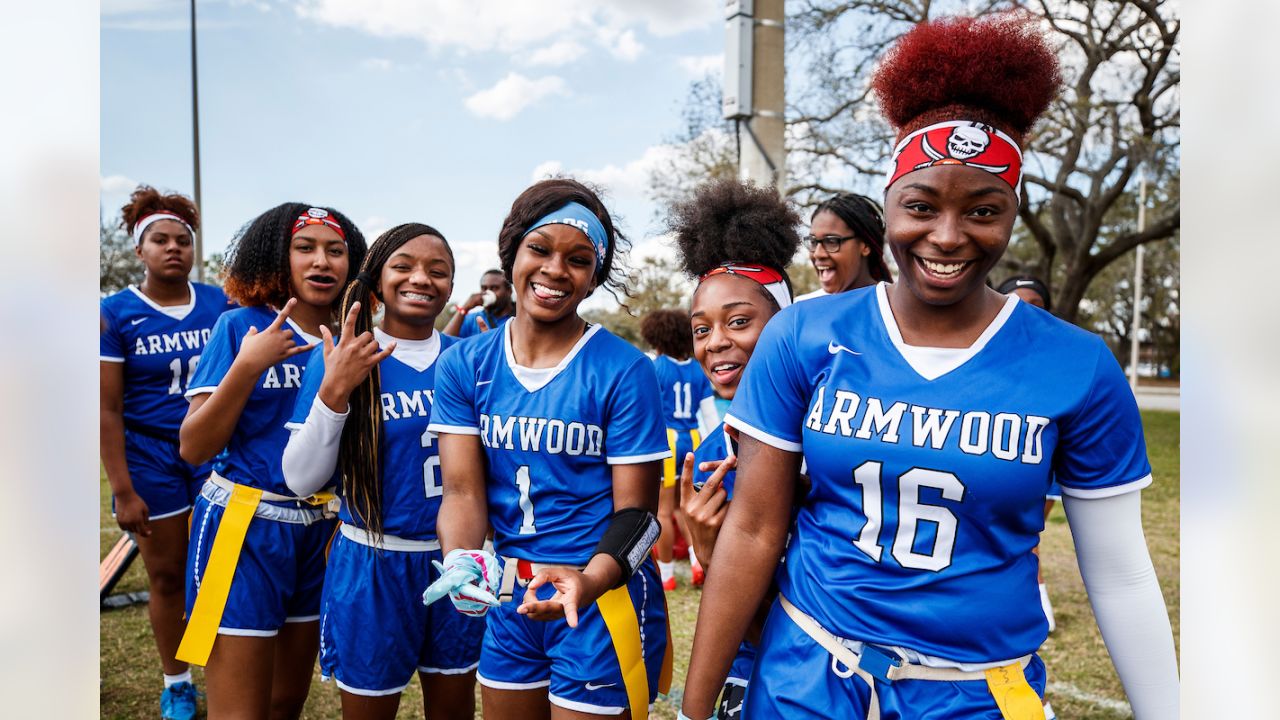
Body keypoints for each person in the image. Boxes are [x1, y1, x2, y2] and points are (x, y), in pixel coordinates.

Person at [680, 14, 1179, 720]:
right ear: (888, 208)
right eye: (921, 206)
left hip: (976, 690)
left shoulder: (1079, 366)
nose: (947, 235)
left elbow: (1122, 576)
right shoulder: (804, 333)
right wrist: (694, 710)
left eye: (983, 209)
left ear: (1012, 212)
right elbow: (755, 529)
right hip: (808, 673)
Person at [425, 178, 671, 719]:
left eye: (578, 260)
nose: (556, 270)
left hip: (598, 597)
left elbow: (640, 516)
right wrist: (462, 559)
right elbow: (463, 491)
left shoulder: (624, 370)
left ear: (593, 277)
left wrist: (590, 579)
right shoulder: (465, 364)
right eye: (540, 249)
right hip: (514, 596)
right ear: (512, 251)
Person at [281, 222, 484, 719]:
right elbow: (301, 480)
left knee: (454, 705)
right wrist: (335, 391)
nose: (421, 278)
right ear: (375, 280)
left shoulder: (476, 359)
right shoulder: (345, 356)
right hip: (373, 559)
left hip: (456, 559)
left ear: (451, 287)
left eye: (438, 271)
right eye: (404, 266)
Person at [178, 203, 365, 719]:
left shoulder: (354, 339)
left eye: (335, 250)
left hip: (319, 531)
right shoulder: (241, 327)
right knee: (240, 709)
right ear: (277, 259)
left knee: (286, 701)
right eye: (304, 248)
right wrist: (248, 365)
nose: (321, 261)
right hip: (242, 527)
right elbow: (193, 447)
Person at [664, 178, 803, 719]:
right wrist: (706, 550)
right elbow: (748, 622)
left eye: (739, 321)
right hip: (752, 670)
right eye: (701, 329)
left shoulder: (834, 444)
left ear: (785, 324)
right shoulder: (711, 458)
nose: (715, 341)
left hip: (831, 676)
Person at [100, 185, 234, 720]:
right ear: (139, 249)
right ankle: (177, 680)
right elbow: (107, 408)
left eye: (182, 239)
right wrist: (122, 487)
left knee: (221, 569)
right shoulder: (115, 313)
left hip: (214, 452)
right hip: (151, 455)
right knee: (167, 574)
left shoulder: (221, 302)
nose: (173, 248)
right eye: (160, 239)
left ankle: (215, 663)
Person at [997, 274, 1061, 633]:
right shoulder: (979, 361)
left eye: (1036, 306)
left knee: (1029, 533)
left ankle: (1036, 596)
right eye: (1016, 304)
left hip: (1043, 469)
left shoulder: (1058, 363)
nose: (1026, 313)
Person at [639, 309, 714, 591]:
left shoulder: (655, 368)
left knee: (663, 512)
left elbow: (646, 412)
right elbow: (710, 416)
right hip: (693, 439)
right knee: (687, 510)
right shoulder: (698, 369)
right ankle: (697, 564)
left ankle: (667, 576)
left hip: (666, 440)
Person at [795, 192, 892, 301]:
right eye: (813, 242)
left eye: (831, 241)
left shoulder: (895, 307)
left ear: (865, 245)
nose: (818, 253)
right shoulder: (802, 309)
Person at [442, 268, 515, 338]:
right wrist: (465, 308)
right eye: (484, 288)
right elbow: (443, 343)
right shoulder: (474, 319)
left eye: (494, 288)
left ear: (509, 291)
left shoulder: (520, 317)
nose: (488, 292)